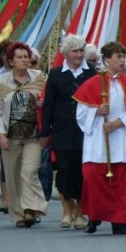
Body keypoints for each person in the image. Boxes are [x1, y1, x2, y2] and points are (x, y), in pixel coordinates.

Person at [74, 42, 126, 235]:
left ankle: (119, 221)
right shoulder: (92, 83)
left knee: (121, 181)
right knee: (94, 179)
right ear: (107, 59)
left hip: (121, 137)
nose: (122, 60)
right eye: (118, 57)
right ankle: (94, 217)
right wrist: (97, 111)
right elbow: (80, 113)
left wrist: (117, 123)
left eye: (123, 57)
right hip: (98, 138)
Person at [40, 35, 96, 230]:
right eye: (75, 51)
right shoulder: (55, 74)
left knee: (82, 173)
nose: (79, 55)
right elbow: (49, 104)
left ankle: (80, 213)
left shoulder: (92, 73)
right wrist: (44, 132)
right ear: (66, 54)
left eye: (81, 50)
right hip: (62, 130)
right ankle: (67, 211)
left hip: (86, 131)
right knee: (63, 171)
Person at [0, 42, 48, 228]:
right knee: (13, 175)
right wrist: (0, 135)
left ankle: (30, 209)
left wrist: (42, 105)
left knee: (30, 171)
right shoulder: (2, 82)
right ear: (10, 61)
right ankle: (18, 215)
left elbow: (46, 99)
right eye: (20, 57)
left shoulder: (38, 77)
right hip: (11, 135)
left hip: (33, 134)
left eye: (26, 57)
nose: (24, 60)